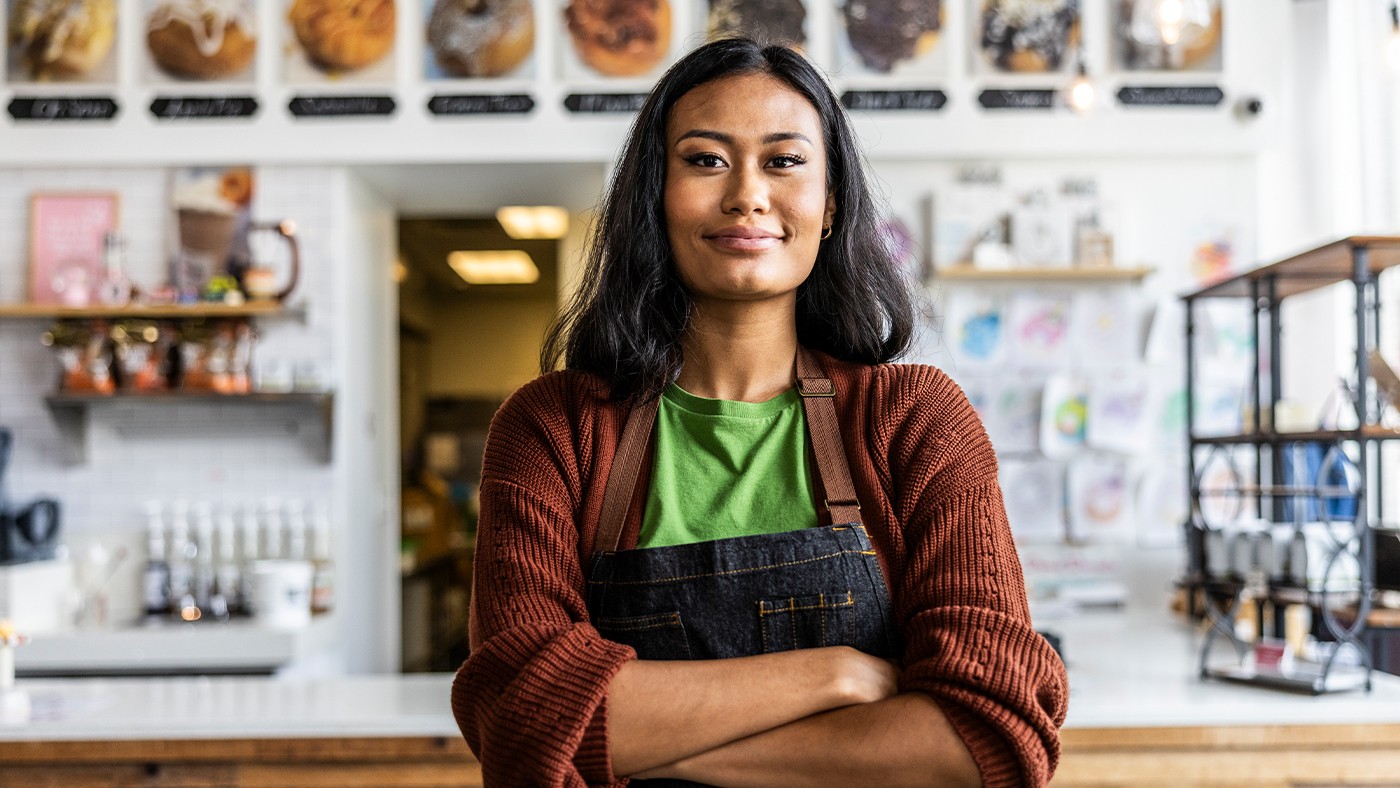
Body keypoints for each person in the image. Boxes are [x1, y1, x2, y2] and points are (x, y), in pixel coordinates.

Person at [452, 36, 1068, 787]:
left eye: (784, 161)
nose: (746, 194)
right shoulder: (554, 430)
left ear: (831, 203)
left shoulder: (914, 420)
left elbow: (990, 734)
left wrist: (632, 740)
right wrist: (833, 677)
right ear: (655, 197)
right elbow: (519, 714)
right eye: (706, 160)